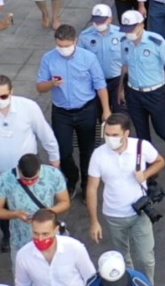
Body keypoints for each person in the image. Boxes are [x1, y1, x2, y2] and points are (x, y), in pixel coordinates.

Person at [0, 75, 60, 252]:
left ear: (11, 92)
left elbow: (45, 133)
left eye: (3, 96)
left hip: (28, 169)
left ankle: (42, 233)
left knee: (36, 203)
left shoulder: (28, 108)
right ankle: (8, 235)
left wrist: (54, 157)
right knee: (3, 207)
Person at [86, 114, 165, 280]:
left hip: (140, 213)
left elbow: (159, 161)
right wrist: (94, 221)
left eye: (114, 135)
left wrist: (145, 174)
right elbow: (92, 189)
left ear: (126, 133)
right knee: (123, 259)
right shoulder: (98, 155)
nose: (109, 139)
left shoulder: (141, 147)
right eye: (107, 134)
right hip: (114, 215)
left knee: (146, 258)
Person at [38, 25, 111, 192]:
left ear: (75, 41)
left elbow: (100, 85)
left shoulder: (89, 58)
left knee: (88, 151)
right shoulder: (48, 58)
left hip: (87, 110)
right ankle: (72, 178)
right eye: (60, 45)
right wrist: (51, 84)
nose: (63, 49)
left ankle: (87, 186)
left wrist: (106, 110)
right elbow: (40, 87)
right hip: (62, 112)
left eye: (67, 45)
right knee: (63, 152)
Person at [116, 9, 165, 160]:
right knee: (141, 133)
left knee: (161, 129)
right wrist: (121, 89)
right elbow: (125, 67)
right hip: (134, 93)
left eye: (132, 29)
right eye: (126, 30)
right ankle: (149, 163)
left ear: (141, 25)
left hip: (155, 93)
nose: (128, 33)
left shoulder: (156, 42)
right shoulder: (124, 43)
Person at [0, 152, 70, 257]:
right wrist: (15, 214)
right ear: (18, 170)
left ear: (40, 169)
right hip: (20, 240)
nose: (30, 182)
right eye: (25, 179)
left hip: (48, 236)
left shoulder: (53, 174)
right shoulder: (4, 179)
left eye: (34, 179)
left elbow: (65, 202)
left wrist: (47, 213)